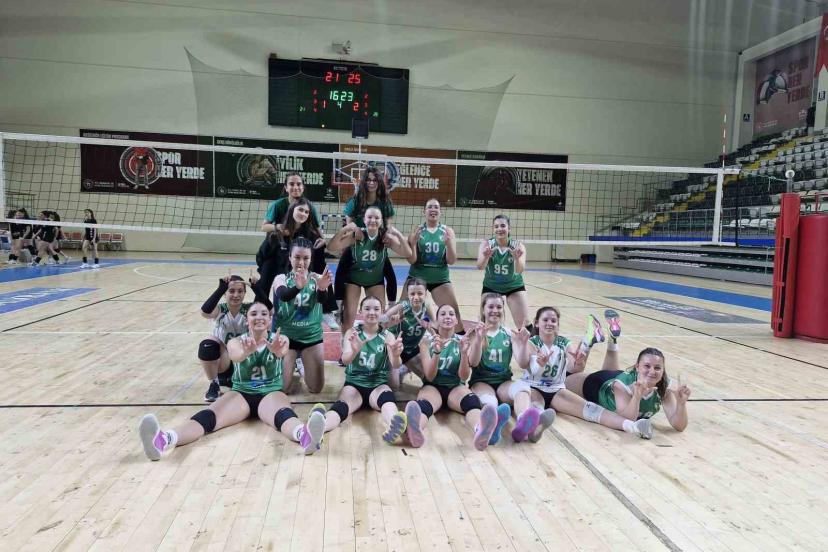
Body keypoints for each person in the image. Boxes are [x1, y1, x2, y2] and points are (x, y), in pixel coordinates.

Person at [138, 303, 327, 460]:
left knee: (284, 416)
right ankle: (162, 440)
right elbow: (236, 356)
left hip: (270, 393)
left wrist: (277, 351)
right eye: (253, 313)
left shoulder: (280, 339)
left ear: (270, 320)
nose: (259, 317)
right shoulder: (236, 341)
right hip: (242, 395)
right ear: (247, 320)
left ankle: (306, 436)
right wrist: (247, 351)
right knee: (208, 417)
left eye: (264, 314)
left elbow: (282, 351)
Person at [512, 307, 654, 439]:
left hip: (556, 390)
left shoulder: (564, 343)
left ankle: (634, 426)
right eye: (545, 320)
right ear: (537, 323)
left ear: (558, 324)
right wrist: (533, 356)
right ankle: (535, 427)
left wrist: (579, 361)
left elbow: (576, 368)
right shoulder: (532, 342)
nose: (550, 323)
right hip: (534, 387)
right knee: (536, 407)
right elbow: (523, 363)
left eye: (553, 320)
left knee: (592, 410)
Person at [565, 311, 690, 431]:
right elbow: (626, 420)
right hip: (596, 385)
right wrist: (637, 397)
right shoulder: (623, 385)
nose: (652, 371)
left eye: (657, 368)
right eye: (647, 366)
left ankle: (612, 339)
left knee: (603, 373)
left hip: (616, 377)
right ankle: (588, 340)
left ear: (663, 370)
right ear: (637, 367)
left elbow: (679, 426)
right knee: (564, 380)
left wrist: (681, 404)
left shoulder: (664, 388)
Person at [402, 304, 499, 451]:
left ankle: (480, 430)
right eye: (443, 314)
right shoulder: (426, 342)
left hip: (455, 387)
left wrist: (464, 354)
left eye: (451, 314)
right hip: (432, 387)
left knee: (472, 402)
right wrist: (437, 353)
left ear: (456, 321)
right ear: (436, 321)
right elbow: (429, 376)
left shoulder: (462, 341)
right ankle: (416, 430)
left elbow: (464, 376)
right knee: (424, 406)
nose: (447, 317)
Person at [320, 295, 408, 444]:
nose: (372, 312)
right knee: (341, 407)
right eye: (367, 309)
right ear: (360, 311)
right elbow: (345, 360)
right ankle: (319, 428)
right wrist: (354, 351)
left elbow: (396, 365)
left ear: (381, 312)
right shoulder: (352, 333)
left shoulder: (388, 336)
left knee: (388, 400)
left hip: (378, 385)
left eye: (376, 309)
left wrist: (396, 354)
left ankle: (394, 425)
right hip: (354, 385)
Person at [466, 293, 542, 445]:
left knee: (522, 388)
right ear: (483, 310)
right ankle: (492, 428)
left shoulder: (509, 333)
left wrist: (523, 344)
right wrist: (479, 340)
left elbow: (522, 363)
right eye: (491, 307)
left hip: (503, 382)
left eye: (499, 307)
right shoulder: (476, 333)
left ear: (503, 310)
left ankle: (522, 422)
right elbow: (473, 363)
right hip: (481, 382)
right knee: (490, 402)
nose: (495, 310)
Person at [258, 189, 339, 330]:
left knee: (323, 269)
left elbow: (316, 261)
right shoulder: (278, 232)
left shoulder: (311, 234)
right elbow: (263, 255)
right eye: (300, 210)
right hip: (281, 270)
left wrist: (321, 244)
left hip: (302, 270)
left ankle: (326, 311)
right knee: (266, 272)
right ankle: (259, 310)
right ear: (292, 210)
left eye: (306, 212)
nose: (303, 214)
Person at [327, 206, 412, 333]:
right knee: (348, 317)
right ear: (364, 220)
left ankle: (376, 342)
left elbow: (407, 253)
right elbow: (331, 247)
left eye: (377, 218)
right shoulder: (356, 235)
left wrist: (397, 234)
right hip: (354, 280)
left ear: (381, 221)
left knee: (378, 318)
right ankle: (346, 342)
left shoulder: (385, 238)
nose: (373, 220)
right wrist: (346, 228)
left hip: (375, 281)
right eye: (370, 217)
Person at [270, 238, 333, 394]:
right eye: (297, 257)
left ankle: (300, 362)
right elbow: (284, 295)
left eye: (306, 258)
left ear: (311, 259)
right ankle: (292, 361)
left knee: (315, 388)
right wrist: (298, 287)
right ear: (290, 257)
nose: (301, 262)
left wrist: (322, 289)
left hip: (311, 337)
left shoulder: (317, 278)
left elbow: (322, 301)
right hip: (286, 337)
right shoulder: (281, 278)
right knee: (282, 389)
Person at [198, 274, 272, 402]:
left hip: (246, 361)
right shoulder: (220, 309)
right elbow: (205, 312)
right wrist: (220, 289)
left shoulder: (250, 309)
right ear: (225, 293)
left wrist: (257, 289)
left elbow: (270, 311)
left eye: (240, 291)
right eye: (231, 291)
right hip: (225, 362)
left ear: (244, 293)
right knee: (207, 344)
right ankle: (214, 384)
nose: (236, 295)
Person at [337, 167, 398, 307]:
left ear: (379, 182)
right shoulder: (356, 200)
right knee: (341, 271)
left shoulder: (384, 201)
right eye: (368, 180)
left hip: (376, 244)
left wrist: (387, 231)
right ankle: (338, 307)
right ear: (364, 181)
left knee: (390, 274)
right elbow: (349, 221)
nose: (371, 183)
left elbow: (389, 218)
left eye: (374, 180)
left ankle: (392, 306)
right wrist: (354, 229)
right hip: (357, 244)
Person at [404, 199, 464, 334]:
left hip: (440, 279)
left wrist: (449, 244)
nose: (433, 210)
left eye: (436, 207)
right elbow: (412, 260)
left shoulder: (447, 231)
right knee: (402, 312)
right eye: (429, 207)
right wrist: (413, 243)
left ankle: (460, 341)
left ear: (440, 212)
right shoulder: (417, 230)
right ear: (424, 211)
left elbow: (451, 261)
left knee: (455, 315)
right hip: (417, 279)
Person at [476, 215, 529, 328]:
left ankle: (533, 339)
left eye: (503, 226)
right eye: (496, 226)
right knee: (484, 322)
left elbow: (519, 271)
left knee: (524, 324)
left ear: (509, 229)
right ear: (493, 229)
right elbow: (480, 266)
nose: (499, 229)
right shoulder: (486, 245)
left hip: (514, 286)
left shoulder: (518, 246)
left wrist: (516, 259)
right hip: (491, 286)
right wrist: (486, 257)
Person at [381, 277, 434, 380]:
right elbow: (384, 318)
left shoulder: (427, 306)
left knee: (429, 378)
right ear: (408, 294)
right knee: (394, 385)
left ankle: (405, 367)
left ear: (426, 294)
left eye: (420, 293)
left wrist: (429, 325)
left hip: (411, 349)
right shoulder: (402, 306)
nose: (416, 297)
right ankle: (393, 366)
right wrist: (390, 318)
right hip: (395, 348)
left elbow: (435, 325)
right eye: (412, 294)